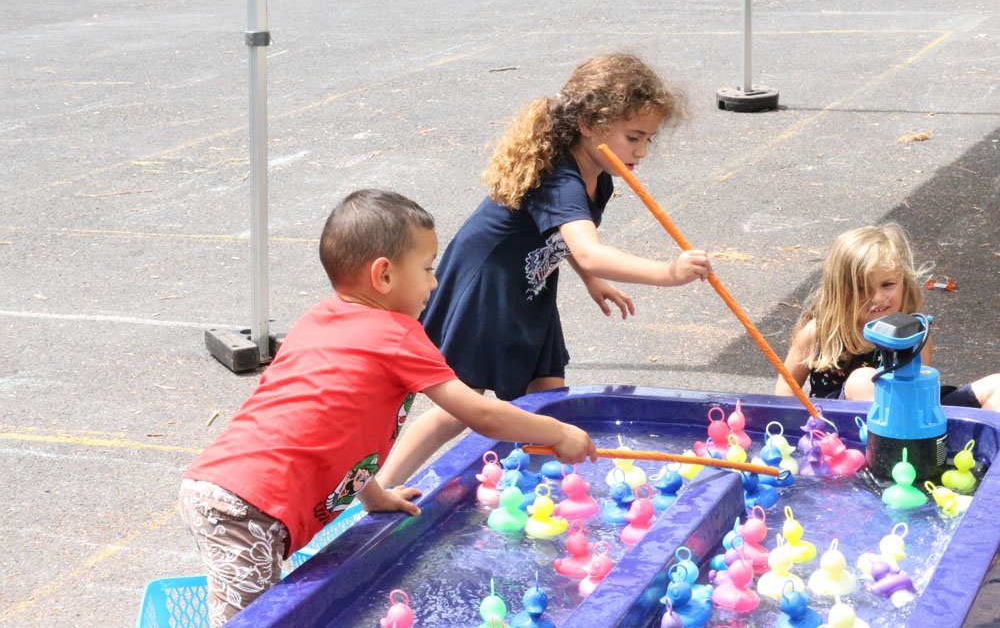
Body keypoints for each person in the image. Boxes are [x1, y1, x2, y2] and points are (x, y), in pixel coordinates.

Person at [179, 189, 597, 626]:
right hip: (248, 506)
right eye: (428, 268)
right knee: (254, 622)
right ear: (383, 275)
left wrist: (375, 495)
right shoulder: (397, 335)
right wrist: (557, 432)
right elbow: (481, 413)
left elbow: (328, 425)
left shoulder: (319, 318)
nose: (435, 282)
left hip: (230, 488)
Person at [377, 53, 712, 488]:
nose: (642, 152)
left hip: (529, 286)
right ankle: (377, 493)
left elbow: (565, 238)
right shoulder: (560, 179)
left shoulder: (600, 176)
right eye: (633, 137)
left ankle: (540, 490)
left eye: (648, 139)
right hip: (487, 287)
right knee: (458, 407)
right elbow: (588, 250)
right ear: (589, 125)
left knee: (547, 397)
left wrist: (590, 279)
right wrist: (667, 273)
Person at [775, 222, 999, 411]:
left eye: (887, 284)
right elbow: (786, 389)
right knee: (864, 379)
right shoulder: (818, 332)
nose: (878, 297)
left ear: (903, 283)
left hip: (909, 413)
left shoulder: (914, 334)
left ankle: (979, 442)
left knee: (996, 385)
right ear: (839, 291)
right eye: (862, 288)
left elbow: (912, 392)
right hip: (842, 425)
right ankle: (888, 444)